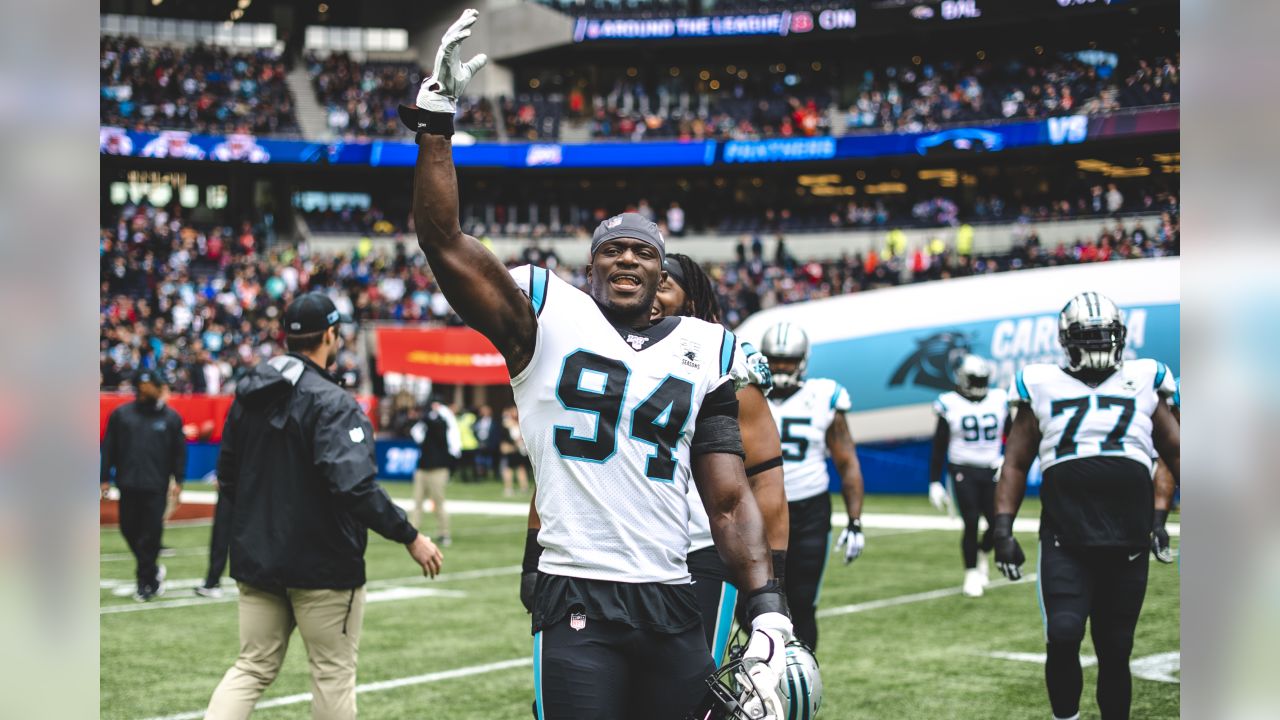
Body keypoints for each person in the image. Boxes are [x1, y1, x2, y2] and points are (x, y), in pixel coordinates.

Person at [401, 12, 796, 717]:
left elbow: (729, 498)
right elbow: (443, 241)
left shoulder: (705, 349)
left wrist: (766, 606)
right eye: (612, 250)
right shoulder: (545, 317)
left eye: (643, 252)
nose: (627, 260)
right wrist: (436, 124)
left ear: (661, 269)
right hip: (579, 592)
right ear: (590, 266)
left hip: (672, 594)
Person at [204, 292, 443, 720]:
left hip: (258, 559)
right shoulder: (333, 402)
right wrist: (410, 535)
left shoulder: (250, 393)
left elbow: (227, 477)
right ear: (331, 335)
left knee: (251, 667)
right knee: (332, 675)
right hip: (323, 565)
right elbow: (354, 487)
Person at [992, 291, 1179, 720]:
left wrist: (1160, 516)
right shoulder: (1039, 382)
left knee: (1116, 650)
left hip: (1128, 535)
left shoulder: (1145, 377)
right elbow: (1016, 463)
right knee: (1063, 632)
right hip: (1065, 536)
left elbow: (1177, 452)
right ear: (1067, 340)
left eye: (1103, 336)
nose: (1097, 345)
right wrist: (1002, 528)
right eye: (1087, 337)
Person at [651, 252, 790, 666]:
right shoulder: (608, 349)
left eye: (663, 283)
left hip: (701, 545)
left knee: (694, 683)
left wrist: (770, 580)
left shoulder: (725, 360)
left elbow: (765, 475)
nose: (649, 293)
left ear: (691, 300)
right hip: (622, 549)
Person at [759, 321, 866, 651]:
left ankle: (799, 682)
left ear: (802, 360)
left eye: (787, 360)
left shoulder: (824, 396)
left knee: (804, 602)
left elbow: (846, 460)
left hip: (808, 511)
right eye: (775, 359)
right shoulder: (749, 394)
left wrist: (855, 520)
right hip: (759, 509)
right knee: (757, 603)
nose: (780, 367)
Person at [928, 353, 1011, 597]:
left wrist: (1007, 457)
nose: (979, 384)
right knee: (972, 521)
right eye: (974, 379)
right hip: (963, 469)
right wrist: (935, 481)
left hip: (993, 468)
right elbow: (939, 446)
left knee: (998, 524)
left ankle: (983, 551)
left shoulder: (999, 399)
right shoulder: (949, 403)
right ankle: (971, 573)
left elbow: (1014, 434)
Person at [100, 369, 185, 601]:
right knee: (128, 528)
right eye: (141, 385)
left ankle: (145, 582)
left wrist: (179, 479)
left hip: (156, 485)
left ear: (159, 388)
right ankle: (153, 570)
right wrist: (104, 478)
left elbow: (179, 452)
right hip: (128, 483)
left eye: (150, 385)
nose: (145, 389)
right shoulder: (121, 415)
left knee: (151, 533)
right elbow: (109, 448)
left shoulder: (171, 418)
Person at [411, 396, 460, 546]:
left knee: (438, 502)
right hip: (423, 467)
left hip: (438, 469)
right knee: (417, 502)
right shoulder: (427, 419)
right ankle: (412, 533)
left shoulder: (443, 419)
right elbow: (416, 432)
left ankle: (444, 533)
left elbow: (442, 429)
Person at [195, 477, 233, 599]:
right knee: (220, 534)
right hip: (231, 485)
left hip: (256, 483)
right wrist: (223, 475)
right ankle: (213, 581)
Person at [499, 406, 530, 497]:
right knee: (508, 468)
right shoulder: (507, 423)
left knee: (521, 468)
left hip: (520, 449)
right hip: (510, 448)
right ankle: (508, 488)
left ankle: (524, 488)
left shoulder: (521, 422)